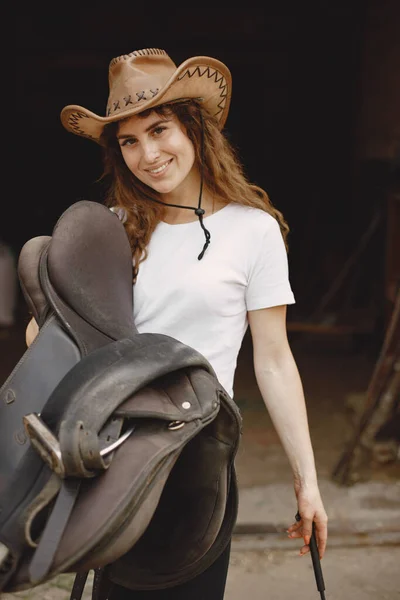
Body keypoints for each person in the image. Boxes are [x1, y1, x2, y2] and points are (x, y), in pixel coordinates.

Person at [26, 47, 328, 599]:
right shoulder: (110, 230)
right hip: (113, 455)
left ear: (195, 129)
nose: (148, 153)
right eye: (130, 141)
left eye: (160, 129)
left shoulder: (252, 231)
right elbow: (56, 343)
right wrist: (50, 313)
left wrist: (307, 483)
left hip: (198, 456)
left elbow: (274, 359)